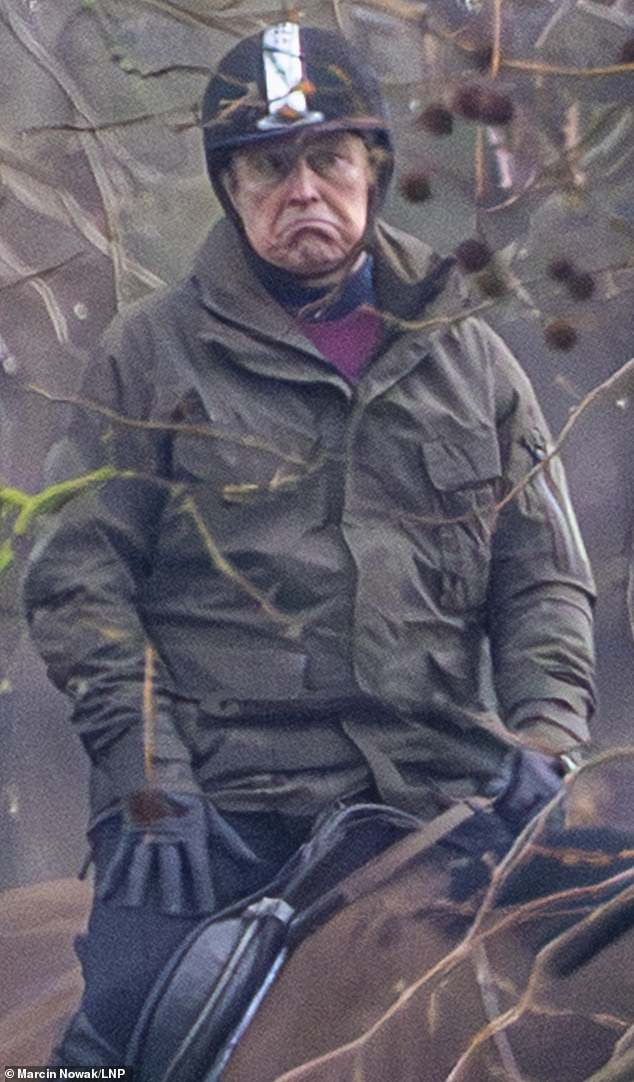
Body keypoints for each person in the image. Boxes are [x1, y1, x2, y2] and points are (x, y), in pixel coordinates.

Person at [23, 21, 596, 1068]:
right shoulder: (148, 357)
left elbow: (543, 578)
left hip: (443, 792)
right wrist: (150, 773)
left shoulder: (471, 364)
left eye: (328, 159)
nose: (303, 192)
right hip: (218, 804)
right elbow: (77, 577)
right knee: (124, 1019)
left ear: (372, 171)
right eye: (267, 167)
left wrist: (544, 733)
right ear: (230, 187)